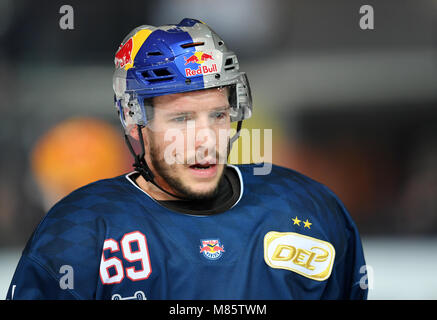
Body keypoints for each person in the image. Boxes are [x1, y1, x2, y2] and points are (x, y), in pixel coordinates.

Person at [7, 18, 368, 300]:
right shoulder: (78, 231)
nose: (206, 139)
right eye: (182, 119)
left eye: (218, 115)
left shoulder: (309, 209)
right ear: (135, 122)